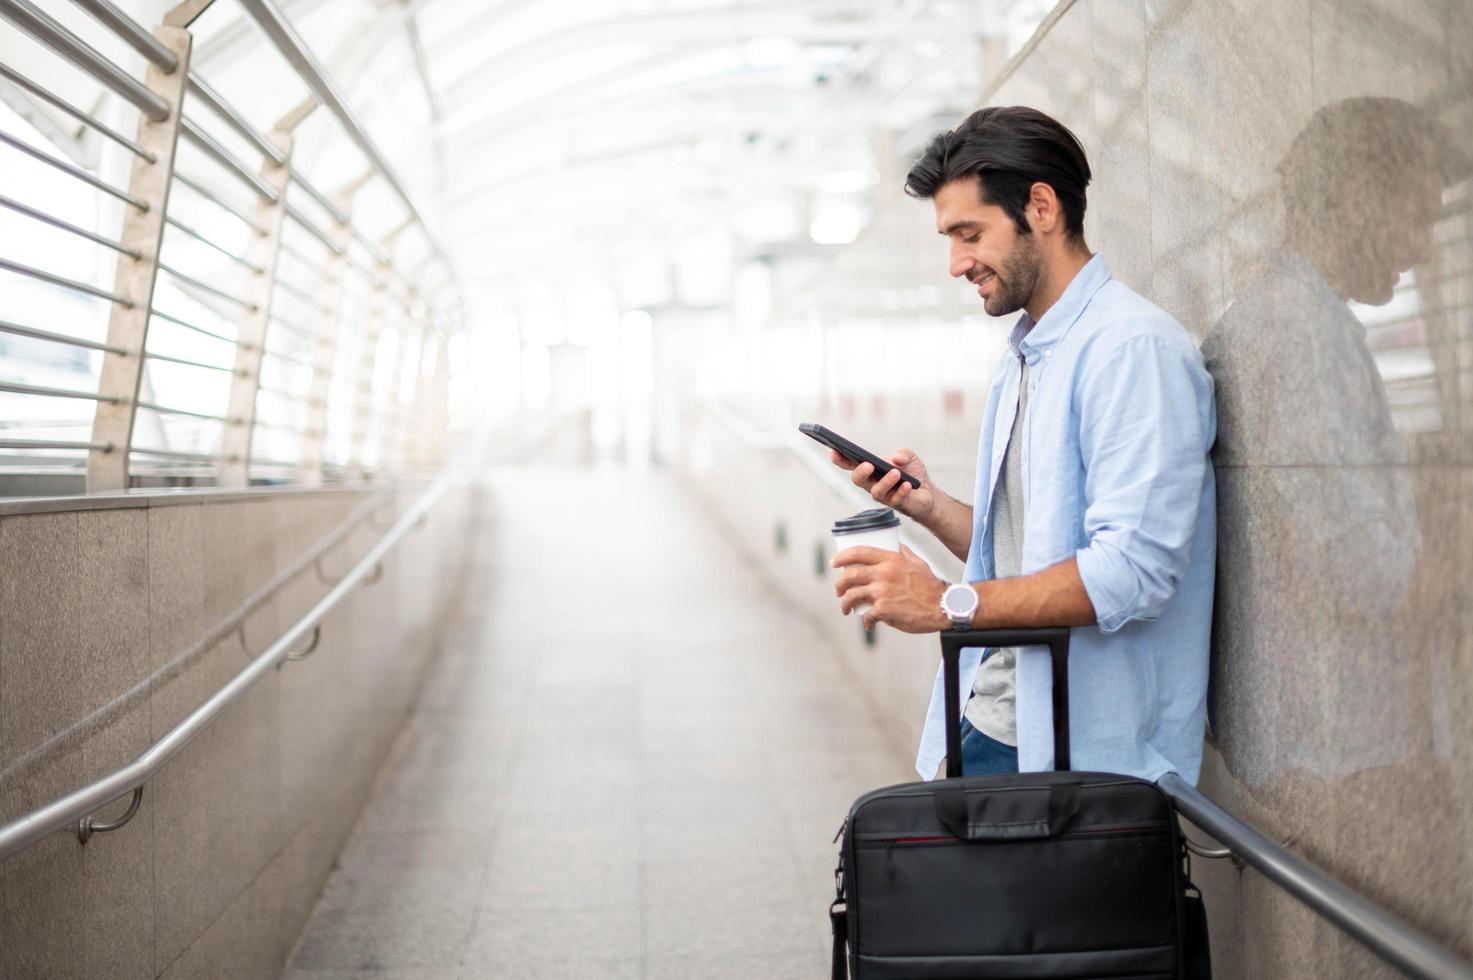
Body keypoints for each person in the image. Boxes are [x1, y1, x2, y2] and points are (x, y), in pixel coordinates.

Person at [829, 106, 1217, 783]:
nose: (955, 263)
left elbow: (1130, 572)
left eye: (968, 233)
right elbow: (1029, 555)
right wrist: (927, 507)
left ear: (1040, 207)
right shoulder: (1027, 354)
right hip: (993, 721)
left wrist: (945, 604)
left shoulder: (1132, 352)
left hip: (1079, 760)